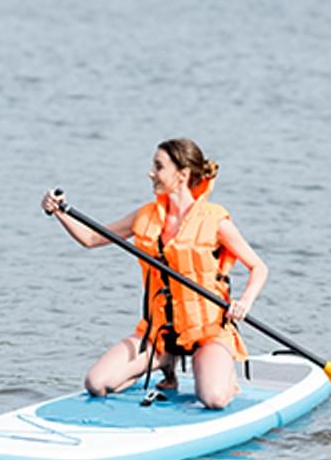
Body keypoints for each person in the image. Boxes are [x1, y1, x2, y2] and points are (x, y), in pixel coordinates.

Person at [41, 139, 268, 409]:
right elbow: (91, 238)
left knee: (214, 399)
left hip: (208, 333)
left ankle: (225, 377)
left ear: (182, 175)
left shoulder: (215, 221)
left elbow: (258, 267)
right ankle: (165, 364)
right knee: (96, 383)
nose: (151, 173)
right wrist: (58, 212)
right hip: (159, 334)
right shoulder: (145, 216)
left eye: (159, 167)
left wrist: (244, 302)